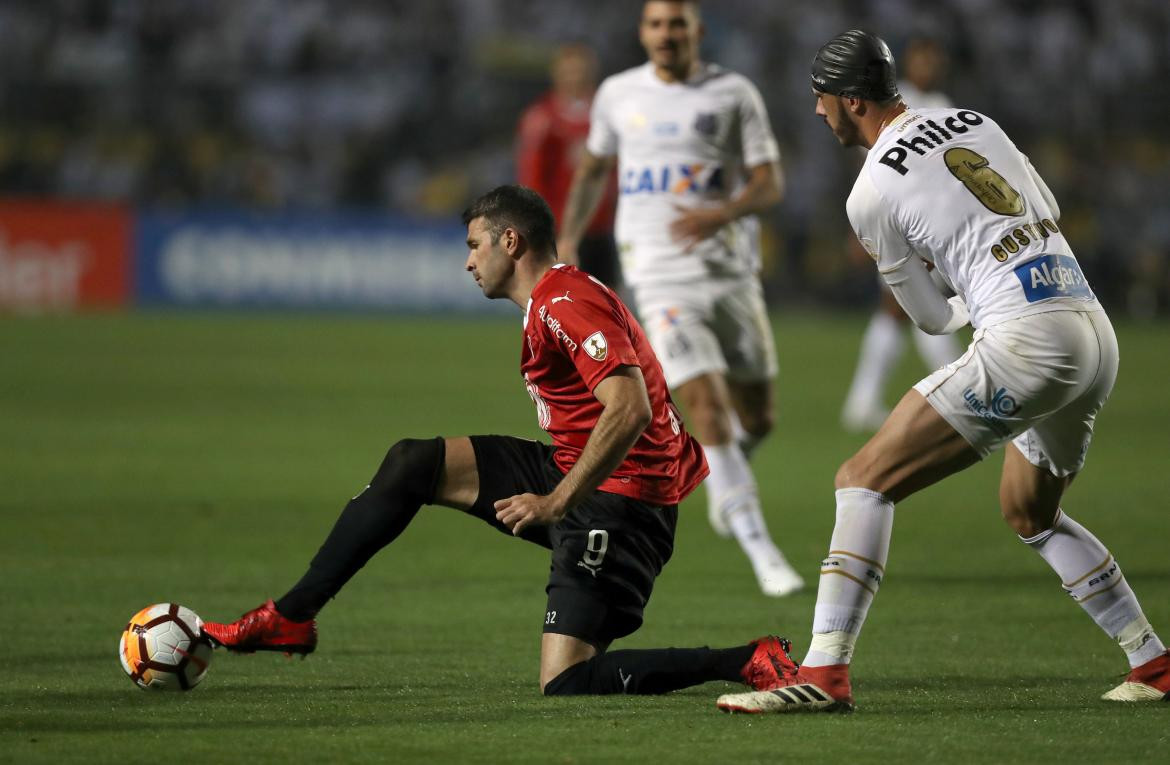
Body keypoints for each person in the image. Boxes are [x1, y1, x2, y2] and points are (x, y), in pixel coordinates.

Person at [717, 30, 1168, 713]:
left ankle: (823, 672)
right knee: (1029, 509)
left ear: (847, 100)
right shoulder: (976, 121)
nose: (815, 112)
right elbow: (1039, 202)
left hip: (1026, 338)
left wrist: (961, 289)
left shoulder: (870, 192)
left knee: (863, 480)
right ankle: (1154, 661)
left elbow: (928, 319)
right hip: (1091, 327)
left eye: (820, 99)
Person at [202, 184, 798, 697]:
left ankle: (745, 659)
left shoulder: (566, 303)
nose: (468, 261)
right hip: (577, 468)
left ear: (509, 242)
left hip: (623, 502)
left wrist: (556, 502)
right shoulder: (552, 300)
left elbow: (631, 408)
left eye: (473, 244)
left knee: (567, 683)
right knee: (414, 462)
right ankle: (291, 616)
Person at [557, 0, 802, 597]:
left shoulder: (733, 93)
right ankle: (759, 545)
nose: (666, 34)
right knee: (708, 405)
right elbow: (592, 170)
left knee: (758, 417)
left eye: (677, 24)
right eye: (656, 24)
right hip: (659, 275)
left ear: (698, 31)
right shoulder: (618, 94)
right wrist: (567, 239)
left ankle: (723, 477)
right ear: (644, 33)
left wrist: (721, 212)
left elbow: (770, 181)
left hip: (730, 273)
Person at [840, 35, 962, 432]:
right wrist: (859, 225)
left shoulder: (942, 103)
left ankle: (864, 400)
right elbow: (868, 162)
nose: (928, 65)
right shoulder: (897, 100)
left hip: (928, 218)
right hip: (898, 216)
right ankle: (959, 391)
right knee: (911, 305)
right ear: (908, 63)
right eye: (921, 57)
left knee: (899, 309)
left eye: (933, 58)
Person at [515, 42, 621, 288]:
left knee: (608, 311)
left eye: (581, 71)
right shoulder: (542, 118)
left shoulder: (607, 113)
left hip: (600, 229)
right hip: (558, 231)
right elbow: (531, 178)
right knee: (560, 309)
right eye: (570, 71)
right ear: (557, 74)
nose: (576, 77)